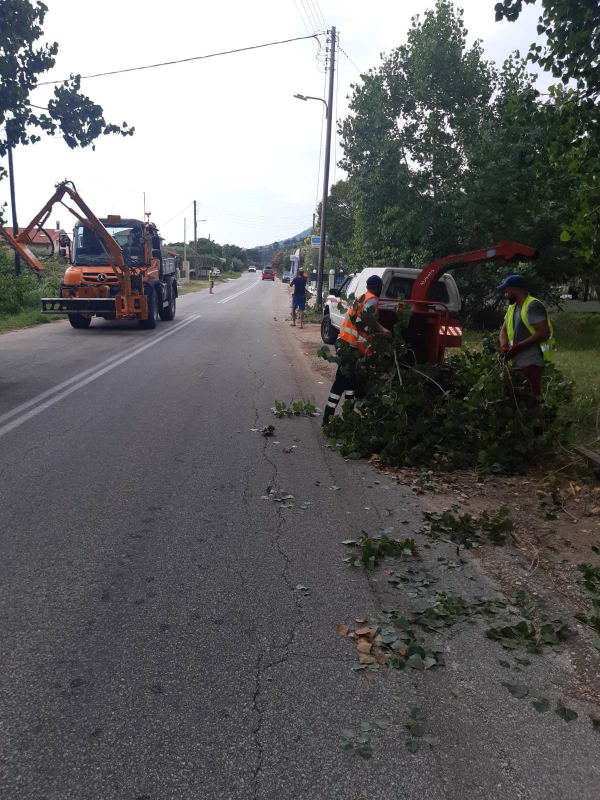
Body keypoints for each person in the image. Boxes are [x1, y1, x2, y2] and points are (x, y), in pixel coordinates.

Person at [323, 274, 392, 426]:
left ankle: (347, 417)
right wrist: (382, 330)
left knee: (350, 383)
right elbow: (368, 317)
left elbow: (362, 323)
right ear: (377, 287)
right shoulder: (372, 299)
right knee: (340, 383)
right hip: (349, 347)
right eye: (381, 287)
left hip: (346, 345)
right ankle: (327, 418)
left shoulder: (362, 297)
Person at [498, 274, 556, 437]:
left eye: (507, 291)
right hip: (516, 361)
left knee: (533, 400)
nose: (505, 294)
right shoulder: (512, 307)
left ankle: (537, 435)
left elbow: (543, 332)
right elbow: (503, 330)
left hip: (531, 361)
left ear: (516, 290)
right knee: (517, 398)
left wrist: (518, 347)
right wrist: (504, 346)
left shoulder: (533, 306)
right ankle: (521, 434)